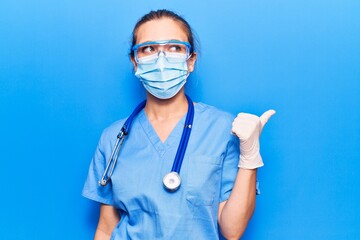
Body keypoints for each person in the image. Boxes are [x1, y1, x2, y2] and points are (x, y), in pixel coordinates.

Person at [82, 9, 275, 240]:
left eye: (174, 48)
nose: (161, 59)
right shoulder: (114, 137)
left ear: (190, 60)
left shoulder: (224, 129)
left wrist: (250, 156)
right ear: (135, 61)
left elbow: (232, 230)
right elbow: (105, 228)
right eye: (149, 49)